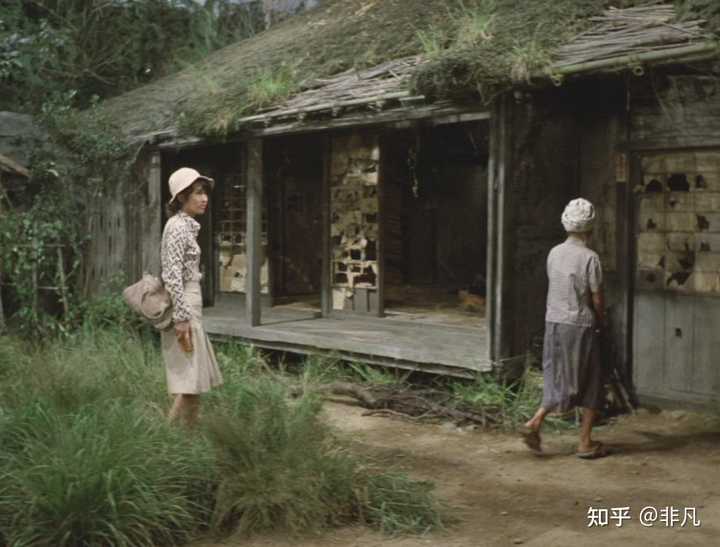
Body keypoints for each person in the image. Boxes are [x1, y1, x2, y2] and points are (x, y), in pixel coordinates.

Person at [521, 198, 607, 459]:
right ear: (590, 228)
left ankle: (536, 420)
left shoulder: (554, 253)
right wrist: (601, 320)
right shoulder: (590, 258)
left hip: (553, 322)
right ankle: (584, 442)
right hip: (579, 324)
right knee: (592, 380)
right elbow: (597, 299)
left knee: (556, 374)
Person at [161, 167, 223, 427]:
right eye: (197, 193)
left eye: (205, 192)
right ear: (181, 197)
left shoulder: (186, 226)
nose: (204, 198)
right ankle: (169, 435)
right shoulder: (177, 227)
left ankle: (185, 436)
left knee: (192, 380)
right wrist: (181, 316)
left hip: (190, 302)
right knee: (189, 381)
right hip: (184, 303)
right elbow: (172, 275)